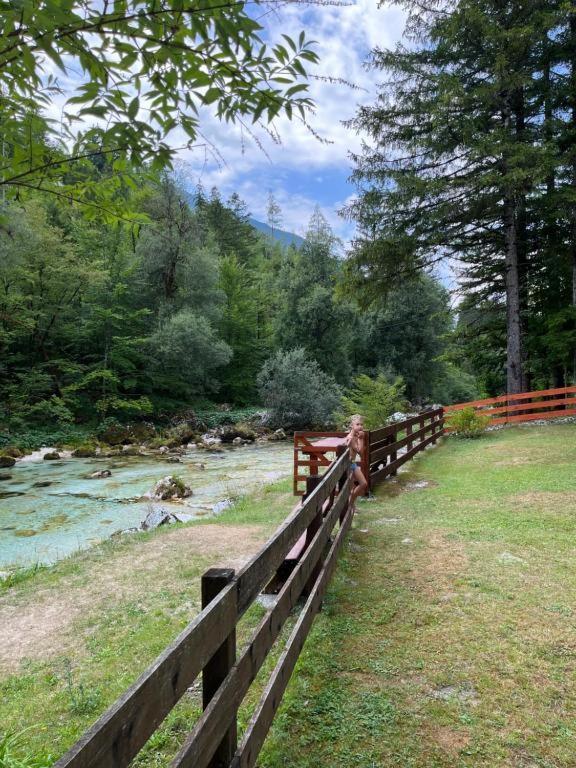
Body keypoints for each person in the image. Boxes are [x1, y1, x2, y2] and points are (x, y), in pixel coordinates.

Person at [345, 414, 368, 512]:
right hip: (348, 465)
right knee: (362, 483)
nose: (360, 426)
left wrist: (360, 438)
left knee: (362, 484)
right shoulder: (351, 438)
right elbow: (360, 451)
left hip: (352, 463)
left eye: (361, 424)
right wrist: (362, 439)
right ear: (352, 426)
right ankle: (350, 504)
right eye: (357, 424)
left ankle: (351, 504)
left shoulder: (355, 436)